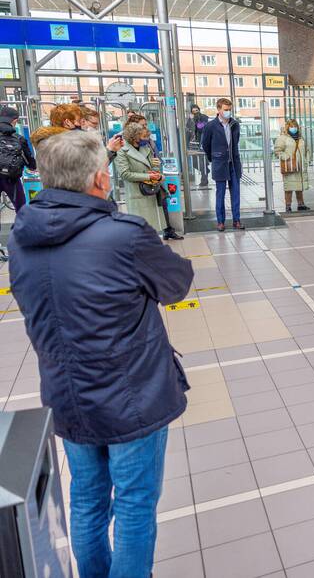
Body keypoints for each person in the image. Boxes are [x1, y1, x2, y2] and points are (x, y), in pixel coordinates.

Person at [8, 130, 194, 578]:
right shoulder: (123, 236)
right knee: (134, 504)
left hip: (67, 395)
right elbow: (176, 284)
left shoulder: (21, 237)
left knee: (88, 500)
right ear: (99, 179)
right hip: (133, 395)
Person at [116, 117, 183, 240]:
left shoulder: (145, 147)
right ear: (134, 137)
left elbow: (153, 166)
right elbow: (125, 174)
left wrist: (157, 172)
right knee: (140, 228)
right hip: (137, 193)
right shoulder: (122, 150)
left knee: (153, 226)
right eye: (143, 137)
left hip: (151, 190)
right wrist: (148, 176)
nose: (146, 140)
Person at [201, 97, 244, 232]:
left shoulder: (235, 124)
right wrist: (213, 158)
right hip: (219, 164)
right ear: (219, 109)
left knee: (236, 193)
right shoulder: (210, 126)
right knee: (220, 194)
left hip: (233, 164)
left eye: (229, 109)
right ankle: (220, 222)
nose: (228, 112)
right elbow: (205, 144)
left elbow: (235, 143)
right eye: (225, 109)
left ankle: (236, 220)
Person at [0, 106, 36, 212]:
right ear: (15, 121)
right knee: (21, 209)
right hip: (12, 180)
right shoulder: (19, 138)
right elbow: (30, 162)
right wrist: (33, 166)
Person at [275, 118, 310, 213]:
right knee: (289, 186)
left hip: (300, 166)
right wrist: (286, 157)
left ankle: (301, 204)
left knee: (299, 185)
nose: (293, 128)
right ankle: (288, 205)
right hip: (289, 165)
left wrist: (307, 160)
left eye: (295, 126)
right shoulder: (283, 138)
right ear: (287, 127)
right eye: (291, 126)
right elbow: (277, 151)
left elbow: (306, 150)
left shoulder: (301, 138)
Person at [187, 104, 210, 188]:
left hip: (202, 144)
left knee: (202, 162)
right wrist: (191, 120)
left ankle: (204, 180)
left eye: (196, 110)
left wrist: (195, 121)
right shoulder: (190, 119)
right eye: (193, 111)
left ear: (199, 110)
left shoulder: (204, 117)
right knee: (195, 163)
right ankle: (206, 170)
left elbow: (201, 128)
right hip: (193, 145)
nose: (195, 112)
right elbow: (188, 129)